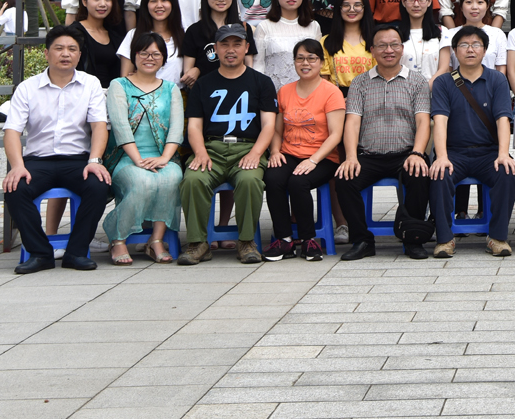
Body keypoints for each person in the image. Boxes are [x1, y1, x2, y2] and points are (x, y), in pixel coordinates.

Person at [2, 26, 113, 274]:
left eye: (72, 49)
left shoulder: (90, 84)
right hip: (38, 161)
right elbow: (12, 131)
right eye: (59, 48)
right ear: (46, 53)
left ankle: (76, 252)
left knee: (98, 185)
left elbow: (99, 126)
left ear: (79, 55)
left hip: (78, 160)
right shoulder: (27, 88)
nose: (65, 54)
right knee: (14, 188)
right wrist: (17, 166)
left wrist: (95, 160)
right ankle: (40, 253)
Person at [331, 20, 434, 260]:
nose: (389, 50)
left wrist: (417, 153)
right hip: (369, 155)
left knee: (419, 174)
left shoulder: (417, 81)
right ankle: (362, 240)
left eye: (394, 45)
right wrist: (351, 157)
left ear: (402, 48)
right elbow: (352, 123)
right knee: (344, 180)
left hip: (406, 154)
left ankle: (413, 238)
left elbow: (422, 121)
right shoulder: (360, 83)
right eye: (382, 45)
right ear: (372, 50)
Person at [179, 24, 277, 265]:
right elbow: (194, 126)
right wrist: (200, 152)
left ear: (247, 47)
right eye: (224, 44)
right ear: (215, 49)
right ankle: (198, 243)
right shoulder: (203, 84)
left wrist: (256, 153)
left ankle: (246, 241)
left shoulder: (262, 82)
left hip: (247, 148)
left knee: (250, 180)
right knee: (193, 179)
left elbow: (268, 125)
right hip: (211, 148)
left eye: (237, 44)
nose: (230, 50)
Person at [428, 24, 515, 257]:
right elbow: (440, 121)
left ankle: (497, 237)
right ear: (455, 51)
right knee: (439, 174)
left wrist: (503, 154)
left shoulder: (497, 79)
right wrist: (441, 156)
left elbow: (503, 119)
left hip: (488, 152)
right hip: (454, 153)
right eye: (464, 45)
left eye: (476, 45)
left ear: (485, 50)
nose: (470, 49)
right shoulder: (443, 82)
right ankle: (445, 239)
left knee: (507, 173)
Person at [103, 31, 184, 265]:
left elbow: (176, 128)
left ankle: (156, 239)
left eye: (156, 54)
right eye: (144, 53)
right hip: (125, 157)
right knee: (142, 181)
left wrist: (165, 158)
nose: (150, 58)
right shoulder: (119, 85)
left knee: (172, 178)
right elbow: (120, 127)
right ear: (134, 55)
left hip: (163, 156)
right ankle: (118, 239)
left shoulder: (171, 89)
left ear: (164, 58)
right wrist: (138, 160)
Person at [262, 38, 345, 261]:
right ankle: (284, 240)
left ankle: (308, 240)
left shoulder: (331, 92)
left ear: (321, 62)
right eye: (300, 58)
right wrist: (275, 151)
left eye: (311, 58)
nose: (305, 63)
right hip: (289, 153)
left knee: (298, 182)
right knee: (273, 178)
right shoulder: (285, 91)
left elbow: (336, 134)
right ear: (294, 62)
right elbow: (277, 130)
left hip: (323, 157)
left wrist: (313, 160)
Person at [180, 0, 254, 90]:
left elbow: (249, 67)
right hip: (205, 92)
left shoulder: (243, 28)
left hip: (238, 90)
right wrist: (197, 70)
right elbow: (188, 74)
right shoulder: (194, 31)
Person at [117, 0, 184, 83]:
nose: (159, 5)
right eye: (153, 1)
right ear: (146, 4)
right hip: (141, 92)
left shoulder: (184, 36)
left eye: (164, 0)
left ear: (173, 3)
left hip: (176, 92)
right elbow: (124, 79)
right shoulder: (133, 35)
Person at [73, 0, 128, 91]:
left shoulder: (115, 36)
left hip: (112, 95)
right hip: (83, 94)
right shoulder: (74, 33)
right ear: (84, 1)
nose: (103, 4)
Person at [320, 0, 378, 88]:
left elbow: (380, 77)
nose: (351, 9)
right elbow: (324, 80)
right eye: (346, 5)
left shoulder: (376, 40)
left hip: (368, 94)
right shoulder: (326, 41)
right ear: (339, 8)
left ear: (365, 8)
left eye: (357, 5)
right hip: (335, 95)